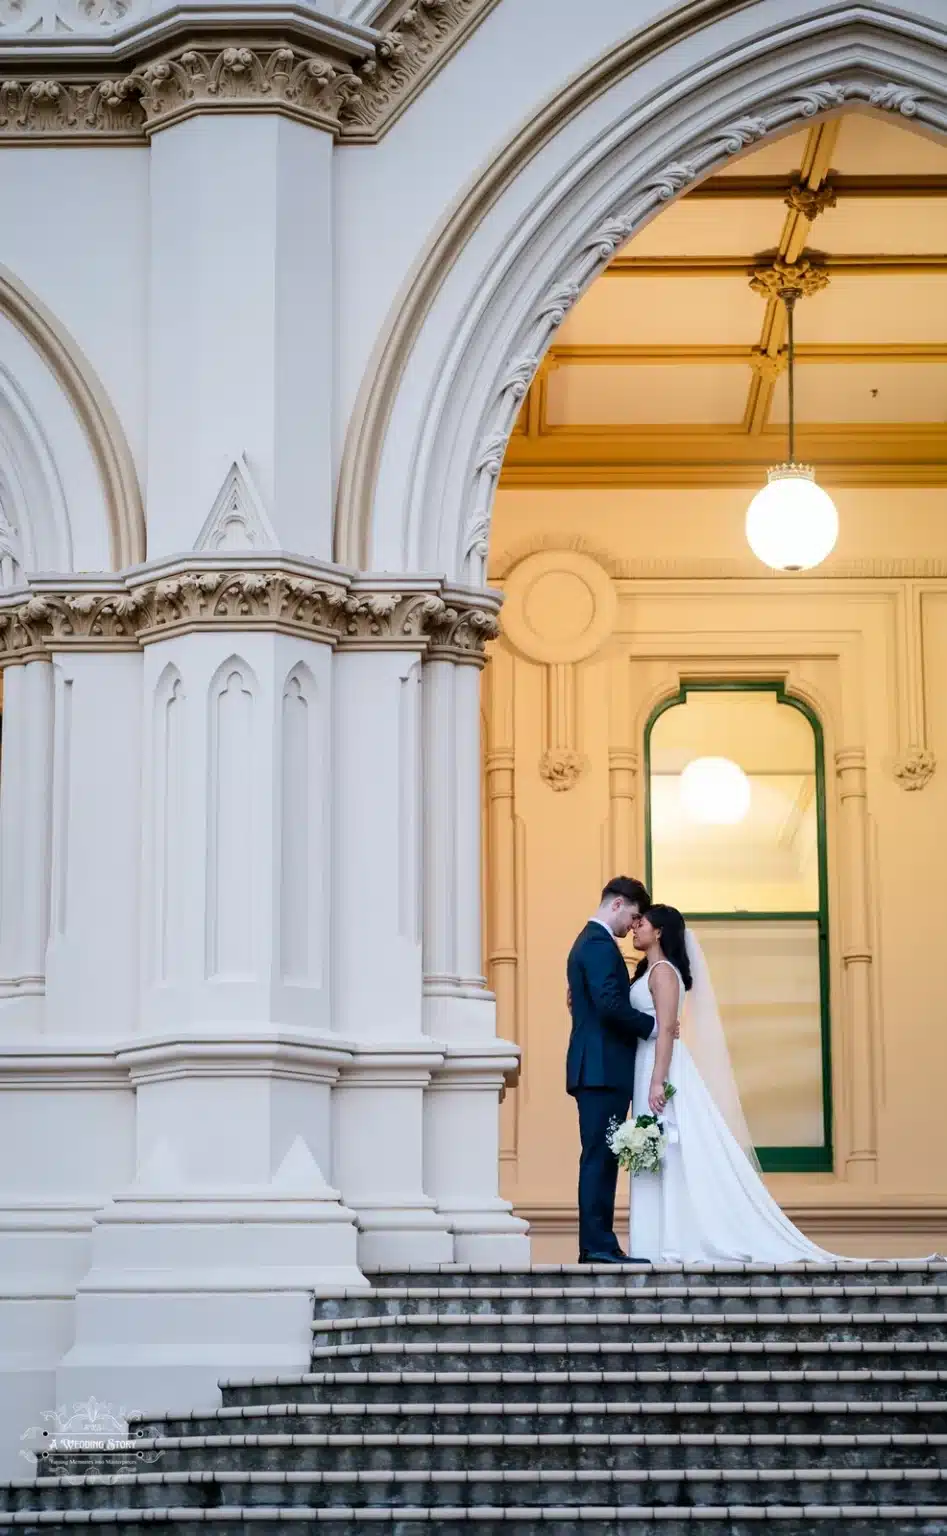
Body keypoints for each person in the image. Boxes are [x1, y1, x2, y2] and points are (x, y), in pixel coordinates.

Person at [627, 902, 838, 1261]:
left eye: (641, 923)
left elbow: (664, 1030)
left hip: (659, 1066)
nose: (635, 928)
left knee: (667, 1148)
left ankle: (671, 1240)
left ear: (659, 931)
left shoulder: (662, 972)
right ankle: (655, 1238)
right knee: (656, 1149)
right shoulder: (649, 971)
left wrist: (657, 1082)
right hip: (648, 1063)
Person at [566, 876, 666, 1264]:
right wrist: (653, 1026)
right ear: (617, 905)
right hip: (601, 1068)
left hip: (597, 1067)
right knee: (599, 1156)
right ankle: (597, 1246)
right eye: (633, 916)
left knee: (601, 1155)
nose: (632, 927)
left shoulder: (589, 943)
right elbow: (609, 1005)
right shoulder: (597, 944)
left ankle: (598, 1244)